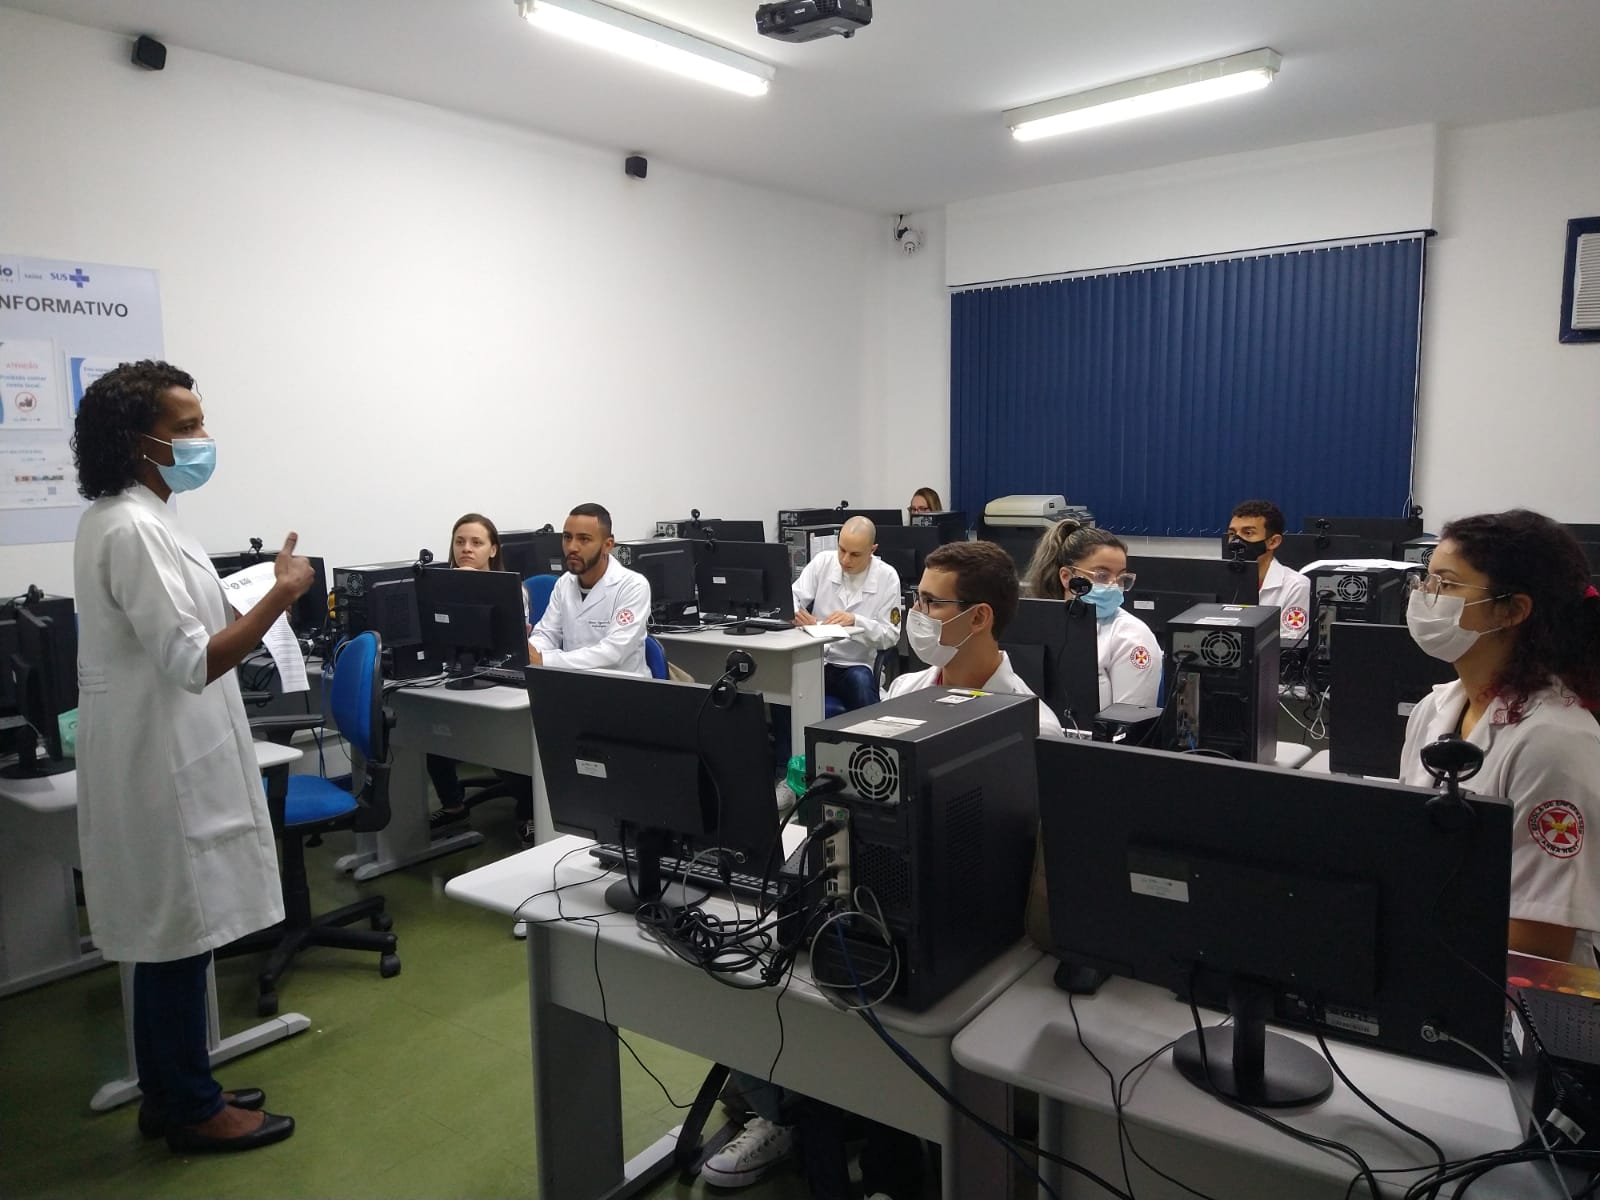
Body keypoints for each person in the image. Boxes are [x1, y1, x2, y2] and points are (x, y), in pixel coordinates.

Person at [71, 360, 303, 1153]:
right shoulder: (133, 527)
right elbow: (192, 660)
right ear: (141, 442)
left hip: (170, 750)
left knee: (176, 935)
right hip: (163, 762)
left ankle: (174, 1088)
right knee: (175, 937)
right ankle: (191, 1108)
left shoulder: (138, 516)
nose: (205, 438)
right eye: (188, 426)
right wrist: (280, 594)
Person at [1397, 509, 1600, 963]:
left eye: (1446, 585)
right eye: (1425, 581)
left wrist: (1393, 924)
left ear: (1512, 610)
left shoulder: (1555, 741)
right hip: (1438, 966)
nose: (1426, 597)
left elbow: (1542, 939)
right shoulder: (1437, 708)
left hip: (1524, 1006)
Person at [427, 512, 538, 847]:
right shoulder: (437, 587)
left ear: (493, 550)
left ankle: (530, 813)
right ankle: (453, 805)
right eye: (460, 542)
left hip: (502, 681)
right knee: (428, 726)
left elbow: (513, 644)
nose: (466, 549)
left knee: (505, 740)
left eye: (476, 542)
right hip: (454, 677)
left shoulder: (511, 590)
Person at [1022, 521, 1161, 709]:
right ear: (1066, 577)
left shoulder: (1131, 634)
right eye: (1102, 576)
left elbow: (1129, 726)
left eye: (1121, 578)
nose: (1113, 585)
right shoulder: (1036, 624)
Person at [790, 516, 902, 712]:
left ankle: (875, 740)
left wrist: (856, 622)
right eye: (842, 550)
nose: (845, 559)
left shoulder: (887, 577)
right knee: (786, 687)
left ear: (872, 550)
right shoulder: (823, 562)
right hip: (817, 660)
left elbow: (891, 635)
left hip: (855, 664)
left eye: (855, 554)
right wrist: (797, 614)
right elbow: (793, 595)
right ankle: (786, 743)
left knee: (860, 682)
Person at [528, 503, 651, 677]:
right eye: (567, 537)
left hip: (623, 689)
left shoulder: (633, 586)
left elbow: (613, 653)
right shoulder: (564, 583)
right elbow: (547, 634)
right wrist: (530, 652)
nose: (572, 547)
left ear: (608, 545)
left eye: (584, 539)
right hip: (573, 682)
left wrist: (544, 660)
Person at [1226, 499, 1312, 646]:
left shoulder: (1296, 586)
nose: (1236, 541)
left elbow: (1291, 643)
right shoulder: (1216, 578)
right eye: (1232, 533)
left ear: (1273, 542)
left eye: (1248, 533)